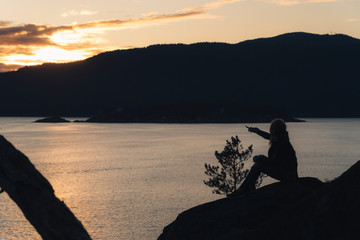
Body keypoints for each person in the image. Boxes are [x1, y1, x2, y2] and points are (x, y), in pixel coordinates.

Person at [228, 118, 298, 197]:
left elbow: (274, 162)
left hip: (287, 176)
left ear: (274, 129)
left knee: (258, 165)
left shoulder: (282, 143)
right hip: (286, 173)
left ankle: (243, 189)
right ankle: (248, 187)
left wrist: (260, 158)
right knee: (258, 164)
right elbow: (268, 136)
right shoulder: (281, 138)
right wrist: (257, 131)